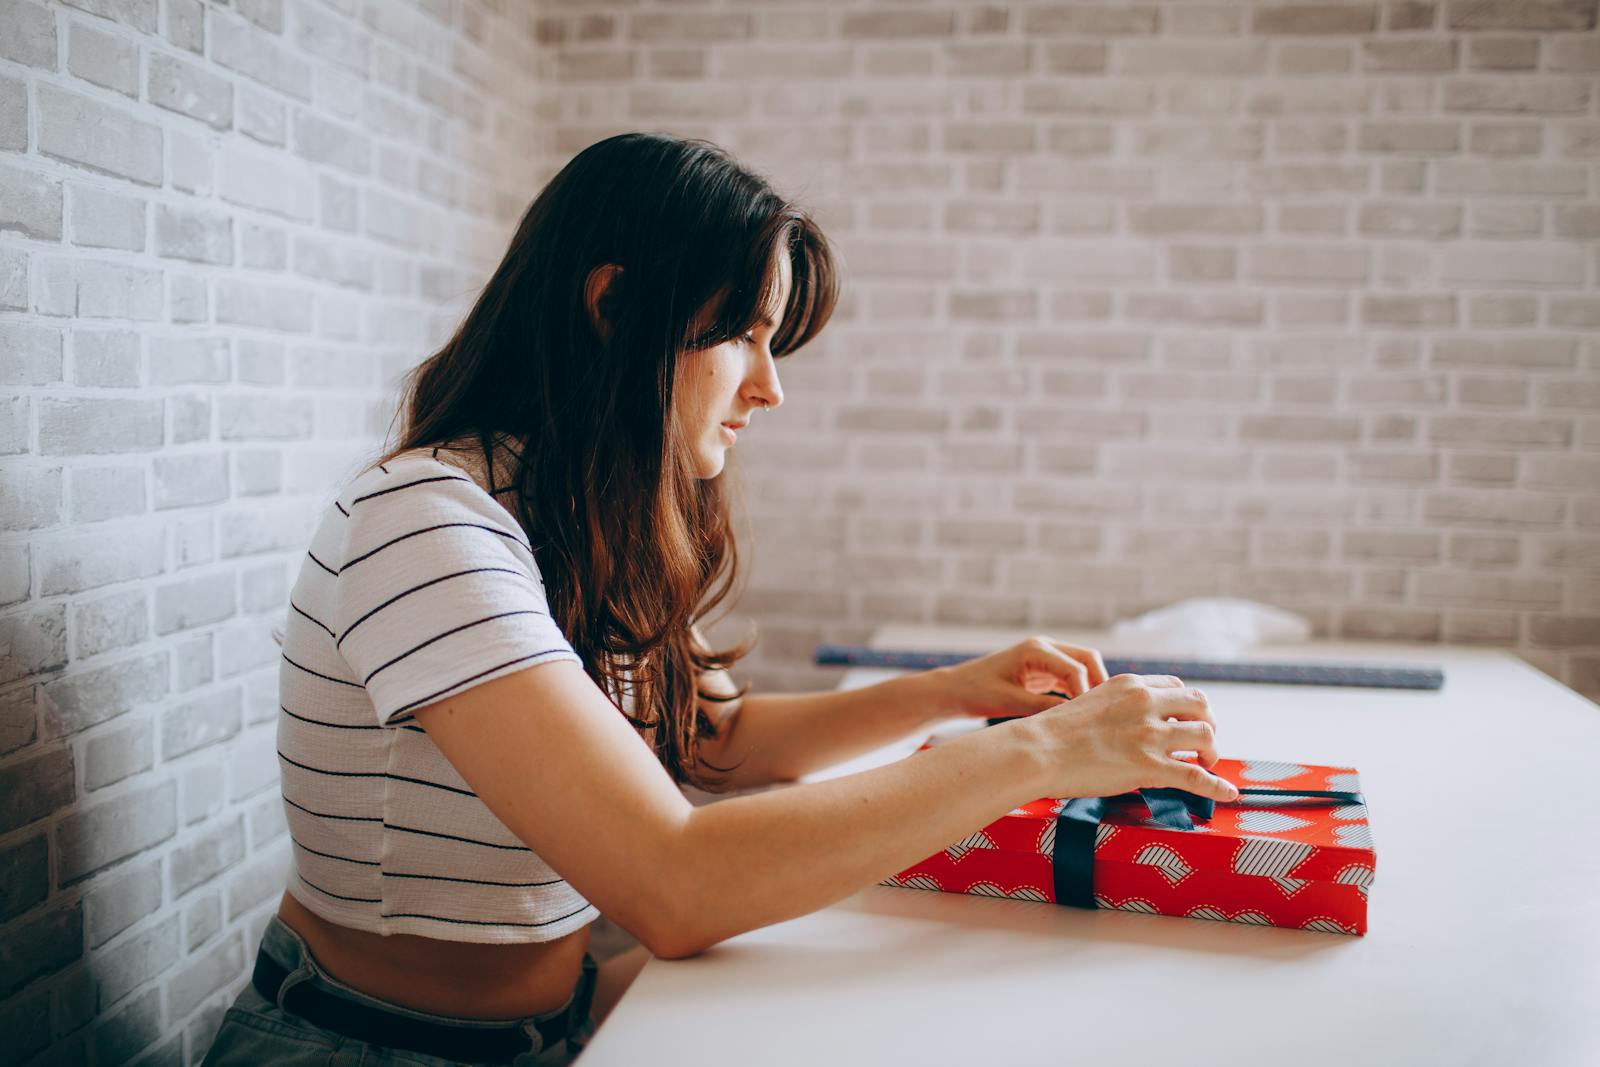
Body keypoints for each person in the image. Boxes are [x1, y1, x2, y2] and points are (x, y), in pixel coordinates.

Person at [202, 133, 1237, 1067]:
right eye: (742, 334)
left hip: (545, 1026)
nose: (769, 386)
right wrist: (1042, 753)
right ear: (612, 310)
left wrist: (955, 692)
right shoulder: (427, 524)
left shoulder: (577, 512)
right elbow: (674, 883)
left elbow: (707, 736)